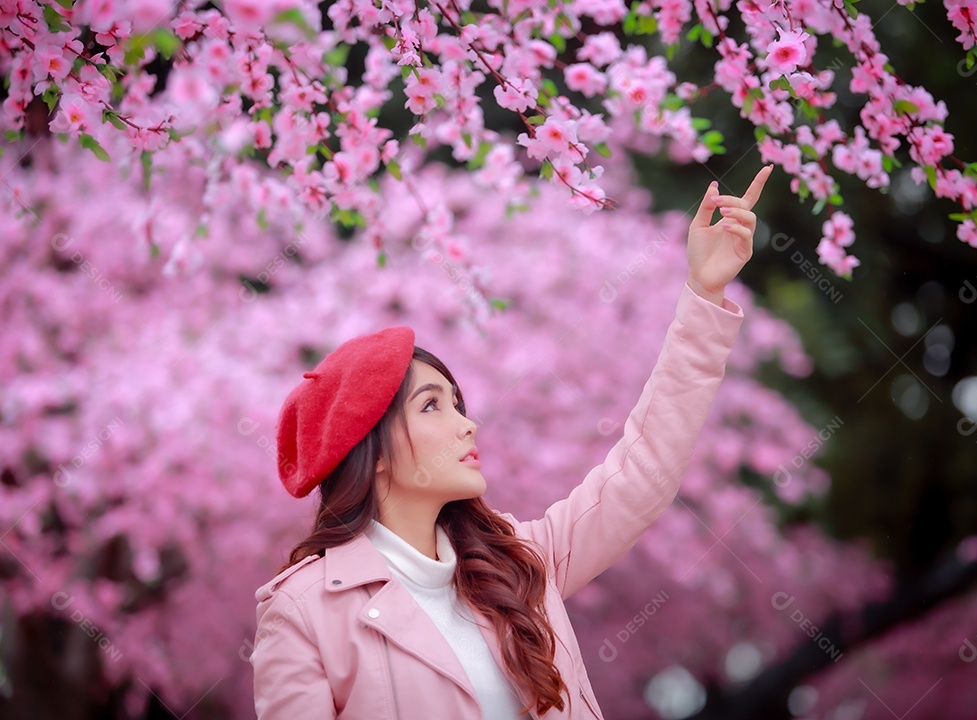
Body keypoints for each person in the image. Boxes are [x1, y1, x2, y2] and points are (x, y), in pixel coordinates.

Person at [251, 166, 773, 719]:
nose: (466, 424)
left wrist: (704, 294)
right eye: (431, 405)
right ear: (372, 452)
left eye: (457, 403)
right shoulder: (303, 611)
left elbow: (645, 470)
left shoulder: (519, 564)